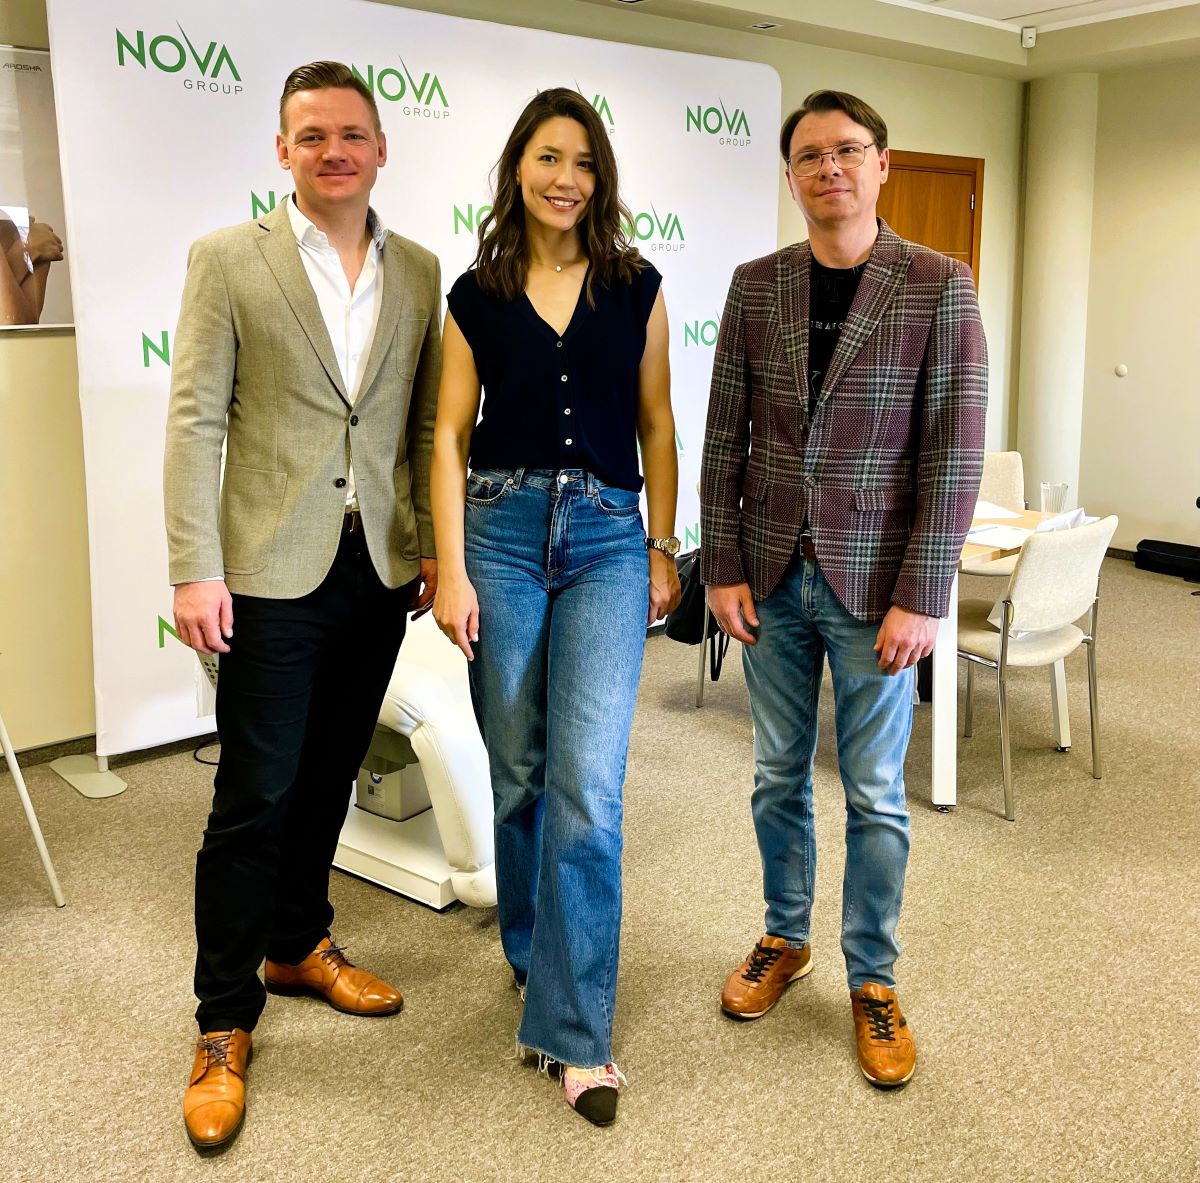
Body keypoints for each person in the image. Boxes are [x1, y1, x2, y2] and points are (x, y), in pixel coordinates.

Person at [163, 61, 442, 1151]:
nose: (335, 151)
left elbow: (420, 425)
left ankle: (298, 942)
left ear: (381, 149)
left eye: (352, 134)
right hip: (266, 571)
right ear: (283, 151)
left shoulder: (418, 270)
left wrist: (428, 543)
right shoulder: (228, 259)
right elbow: (195, 420)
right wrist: (194, 565)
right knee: (254, 794)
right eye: (312, 135)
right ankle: (223, 1017)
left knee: (331, 774)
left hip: (376, 570)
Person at [700, 89, 986, 1088]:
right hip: (771, 576)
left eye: (849, 150)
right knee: (776, 775)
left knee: (874, 794)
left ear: (882, 163)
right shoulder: (755, 284)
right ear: (791, 176)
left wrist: (925, 592)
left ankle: (874, 977)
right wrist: (722, 564)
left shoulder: (939, 283)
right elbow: (724, 435)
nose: (831, 168)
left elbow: (954, 453)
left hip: (879, 590)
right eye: (812, 155)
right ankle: (786, 937)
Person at [430, 87, 679, 1126]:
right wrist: (451, 569)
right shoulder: (476, 293)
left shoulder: (637, 286)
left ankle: (578, 1035)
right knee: (520, 769)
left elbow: (658, 421)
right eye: (547, 156)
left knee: (587, 782)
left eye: (582, 161)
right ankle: (534, 948)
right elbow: (449, 435)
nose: (565, 177)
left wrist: (662, 543)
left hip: (609, 540)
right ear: (518, 169)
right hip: (499, 533)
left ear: (599, 177)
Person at [0, 211, 63, 325]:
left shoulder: (29, 232)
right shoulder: (30, 236)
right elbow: (9, 321)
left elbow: (17, 328)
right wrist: (24, 252)